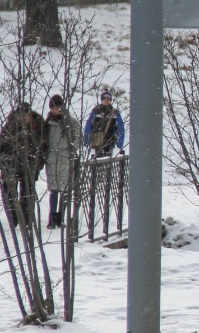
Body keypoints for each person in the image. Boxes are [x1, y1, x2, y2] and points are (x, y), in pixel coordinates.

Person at [0, 101, 45, 226]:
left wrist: (38, 163)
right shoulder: (10, 127)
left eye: (27, 115)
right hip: (11, 165)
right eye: (22, 115)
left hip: (29, 166)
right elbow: (2, 145)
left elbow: (43, 146)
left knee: (27, 194)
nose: (25, 118)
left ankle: (27, 219)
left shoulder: (36, 127)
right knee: (9, 193)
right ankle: (13, 217)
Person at [43, 94, 78, 229]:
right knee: (53, 189)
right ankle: (52, 217)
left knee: (64, 189)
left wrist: (70, 150)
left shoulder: (70, 122)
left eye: (57, 108)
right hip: (52, 158)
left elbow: (78, 137)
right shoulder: (47, 123)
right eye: (53, 108)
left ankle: (60, 217)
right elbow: (43, 140)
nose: (55, 111)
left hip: (65, 158)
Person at [84, 90, 125, 158]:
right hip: (96, 142)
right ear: (102, 100)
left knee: (106, 161)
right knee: (97, 162)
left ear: (110, 100)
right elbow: (88, 125)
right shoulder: (95, 111)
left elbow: (121, 129)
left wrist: (119, 144)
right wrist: (86, 140)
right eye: (104, 99)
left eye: (108, 99)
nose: (106, 101)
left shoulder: (115, 113)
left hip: (110, 142)